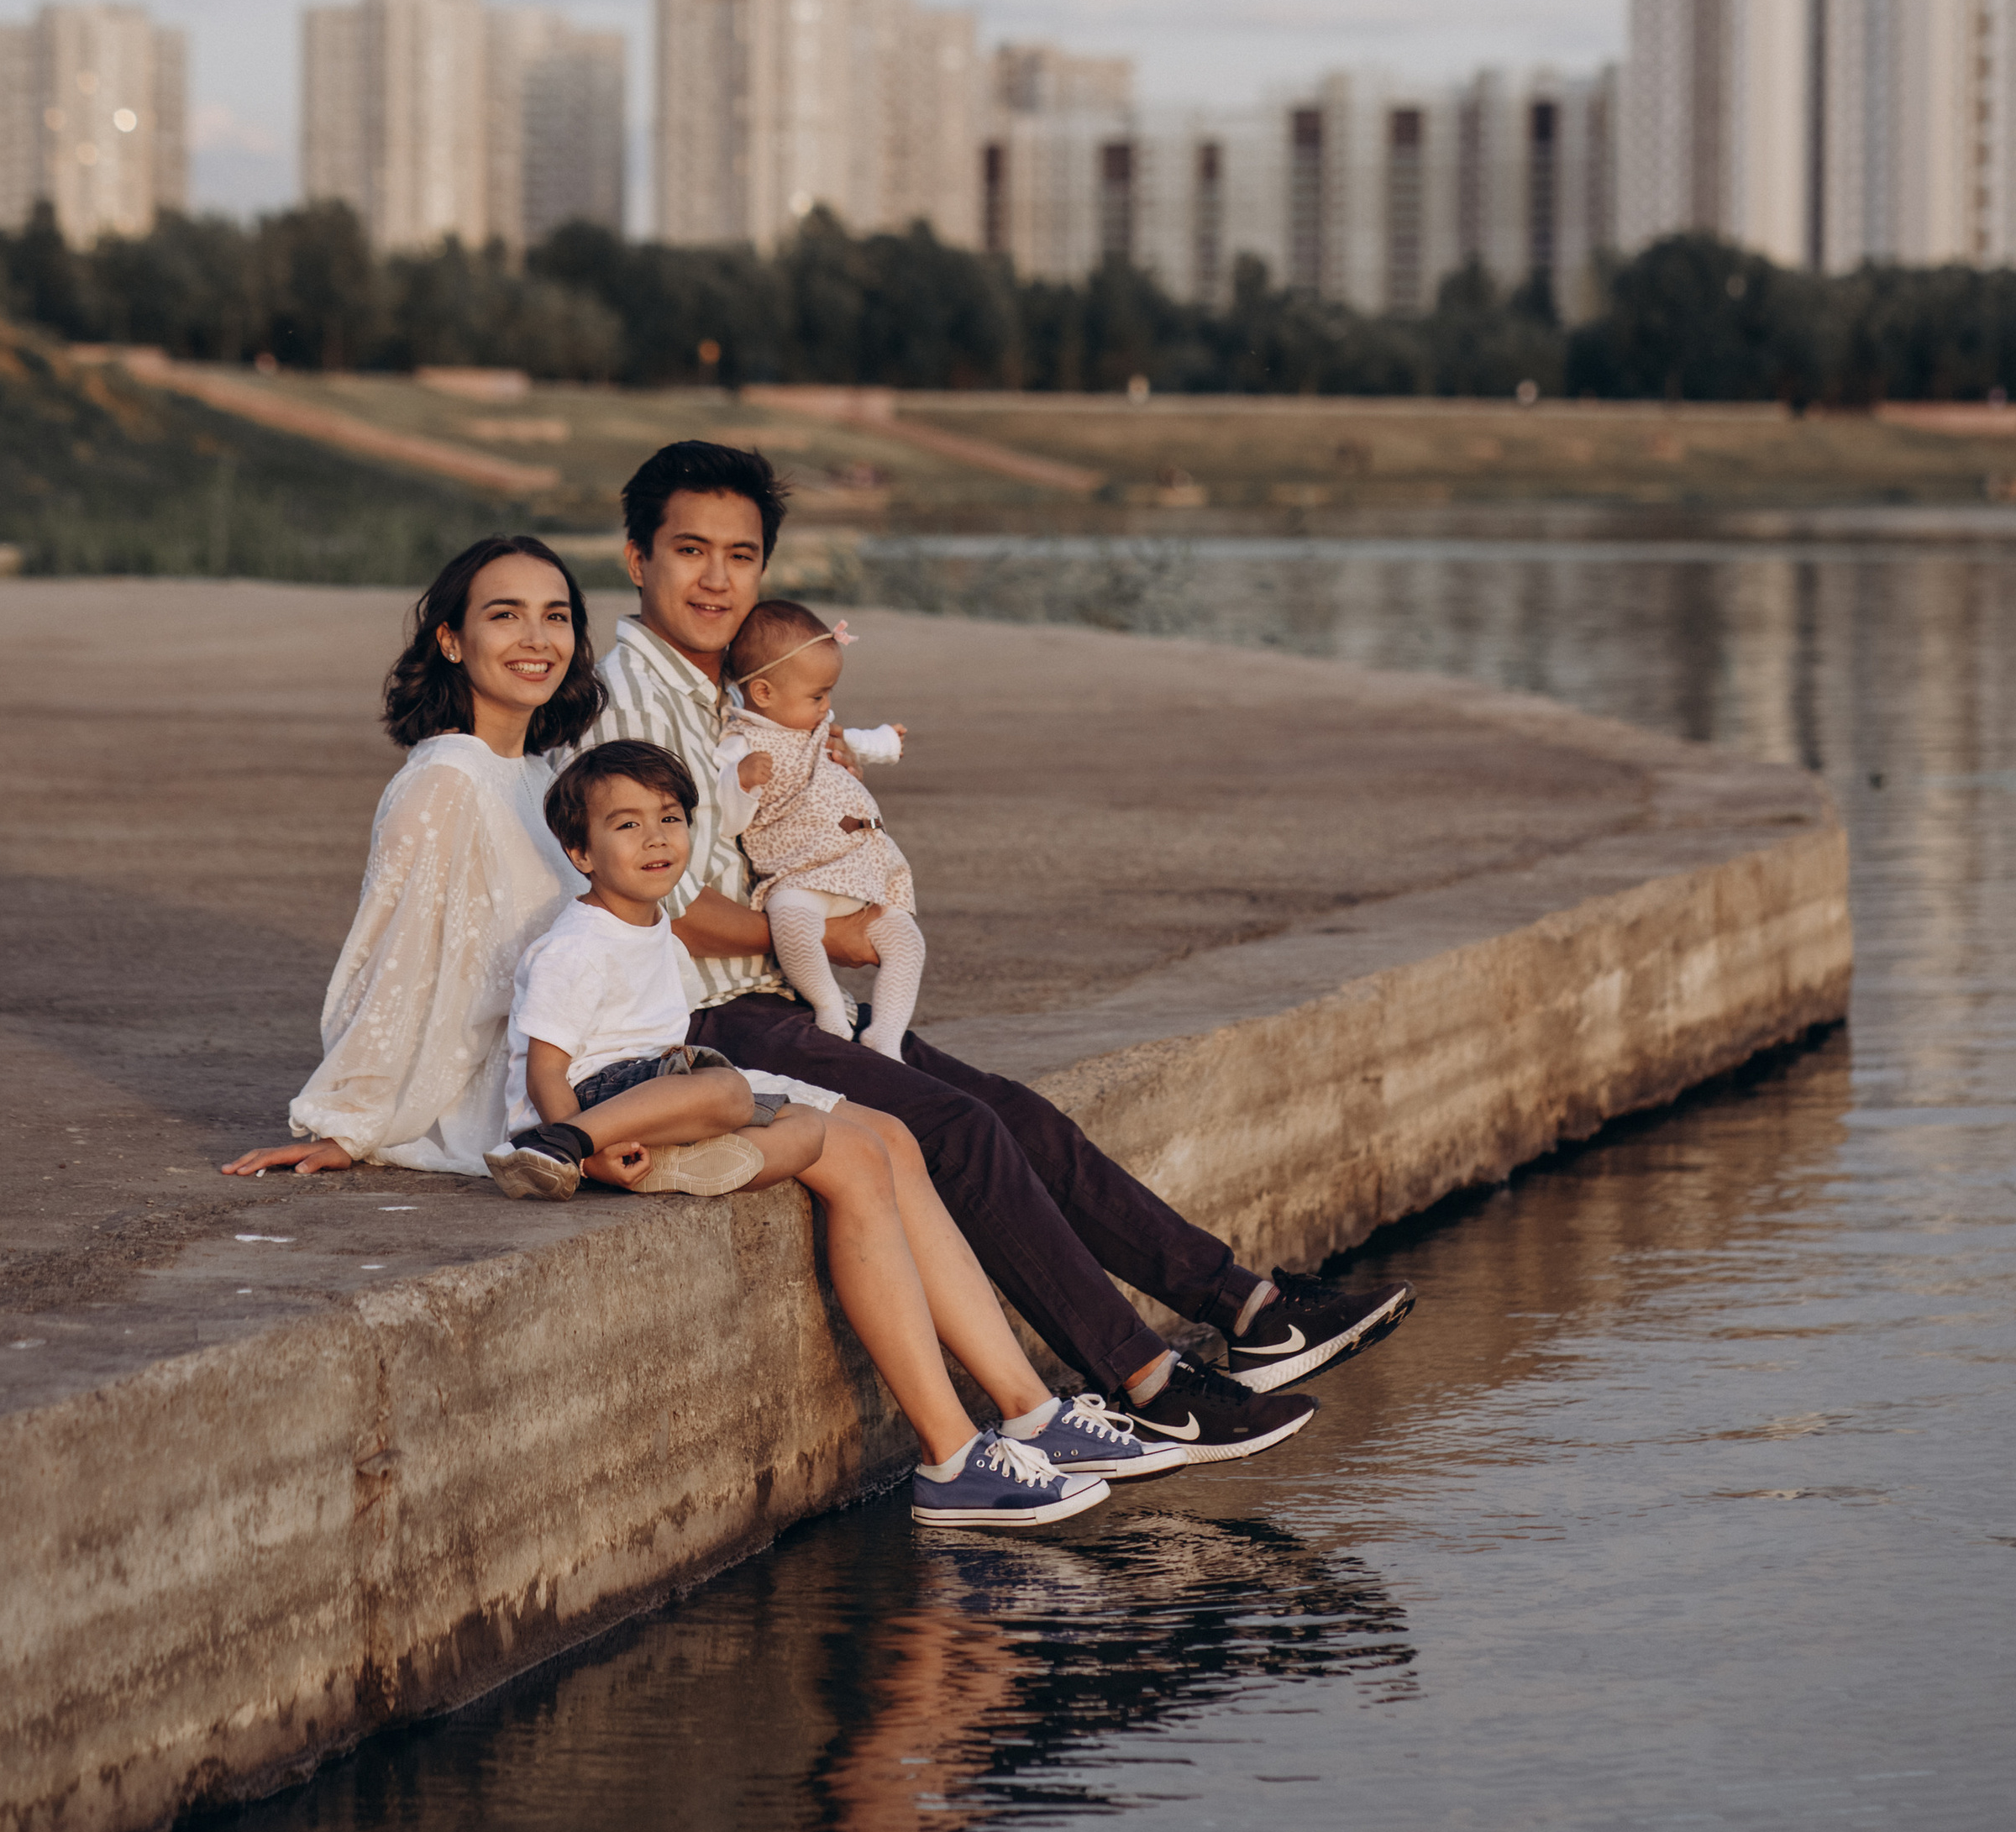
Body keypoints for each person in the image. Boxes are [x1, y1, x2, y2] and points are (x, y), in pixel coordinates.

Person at [218, 554, 1177, 1527]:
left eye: (555, 616)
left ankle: (1030, 1413)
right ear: (451, 639)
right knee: (855, 1152)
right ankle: (951, 1454)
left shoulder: (542, 771)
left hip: (628, 1060)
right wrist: (351, 1119)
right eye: (504, 616)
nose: (537, 638)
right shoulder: (444, 779)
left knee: (890, 1137)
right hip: (554, 1089)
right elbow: (392, 959)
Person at [557, 441, 1416, 1462]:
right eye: (689, 550)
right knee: (961, 1131)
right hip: (709, 1017)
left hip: (774, 995)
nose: (715, 579)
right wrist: (832, 934)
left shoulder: (731, 689)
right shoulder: (628, 702)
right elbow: (665, 900)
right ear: (637, 558)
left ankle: (1251, 1311)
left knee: (1017, 1114)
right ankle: (1147, 1383)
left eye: (739, 556)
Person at [717, 599, 926, 1058]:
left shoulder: (815, 726)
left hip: (859, 869)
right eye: (817, 696)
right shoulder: (741, 744)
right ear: (764, 692)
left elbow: (854, 741)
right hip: (800, 874)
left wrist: (886, 742)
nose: (827, 706)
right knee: (791, 921)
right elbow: (727, 818)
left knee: (907, 940)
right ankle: (828, 1004)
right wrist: (742, 783)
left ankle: (886, 1034)